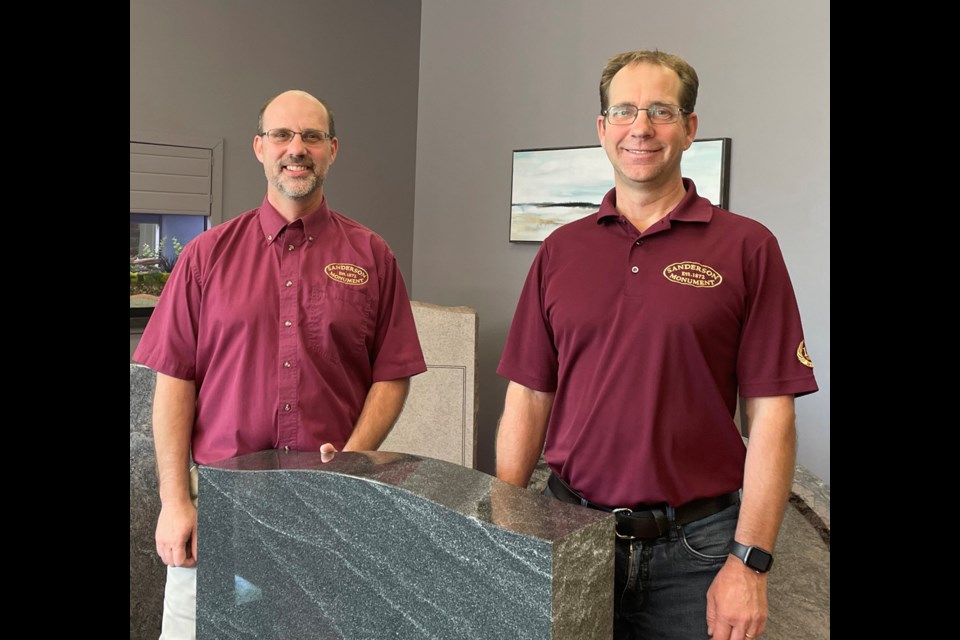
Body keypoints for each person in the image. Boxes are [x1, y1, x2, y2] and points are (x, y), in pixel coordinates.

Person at [494, 50, 818, 640]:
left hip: (696, 549)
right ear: (602, 128)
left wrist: (750, 563)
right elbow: (529, 394)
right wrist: (503, 524)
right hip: (567, 531)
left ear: (690, 128)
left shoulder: (748, 248)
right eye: (623, 110)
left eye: (661, 111)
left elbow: (772, 415)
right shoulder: (560, 251)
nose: (640, 127)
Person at [132, 89, 427, 639]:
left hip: (328, 509)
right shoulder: (205, 256)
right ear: (259, 147)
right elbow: (174, 381)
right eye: (283, 136)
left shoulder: (371, 257)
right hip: (219, 506)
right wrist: (174, 503)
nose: (298, 148)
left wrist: (354, 458)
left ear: (332, 149)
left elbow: (393, 373)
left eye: (312, 136)